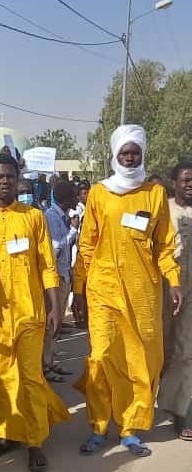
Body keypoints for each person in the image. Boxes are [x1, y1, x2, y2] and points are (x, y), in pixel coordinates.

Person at [72, 124, 182, 457]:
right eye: (124, 152)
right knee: (101, 358)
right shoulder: (99, 193)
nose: (130, 158)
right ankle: (99, 425)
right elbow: (87, 244)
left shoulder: (155, 193)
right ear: (115, 154)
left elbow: (164, 245)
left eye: (135, 152)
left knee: (140, 362)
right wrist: (78, 288)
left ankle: (131, 428)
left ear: (142, 154)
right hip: (103, 291)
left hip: (142, 294)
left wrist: (173, 280)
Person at [0, 154, 70, 471]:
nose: (5, 181)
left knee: (31, 379)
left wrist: (55, 307)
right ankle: (9, 434)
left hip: (30, 314)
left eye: (10, 176)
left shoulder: (34, 217)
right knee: (0, 379)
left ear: (17, 178)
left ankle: (34, 441)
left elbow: (48, 265)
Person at [157, 161, 192, 440]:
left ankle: (179, 412)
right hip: (164, 289)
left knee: (185, 351)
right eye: (186, 180)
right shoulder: (162, 210)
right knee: (160, 350)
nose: (190, 185)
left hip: (190, 293)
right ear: (174, 182)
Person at [43, 181, 78, 382]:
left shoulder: (63, 216)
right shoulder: (51, 217)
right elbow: (55, 248)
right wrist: (73, 231)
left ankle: (52, 360)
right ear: (65, 199)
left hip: (64, 274)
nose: (75, 199)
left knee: (57, 325)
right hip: (54, 279)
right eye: (73, 196)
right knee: (50, 325)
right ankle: (45, 365)